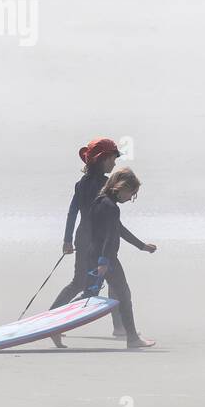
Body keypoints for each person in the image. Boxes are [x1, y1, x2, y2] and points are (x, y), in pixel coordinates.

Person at [51, 137, 130, 335]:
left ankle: (51, 318)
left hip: (82, 237)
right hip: (100, 241)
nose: (114, 163)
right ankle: (119, 327)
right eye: (112, 158)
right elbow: (112, 218)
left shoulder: (81, 184)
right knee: (115, 282)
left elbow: (72, 212)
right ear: (102, 159)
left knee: (78, 282)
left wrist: (67, 240)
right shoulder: (106, 185)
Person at [82, 167, 155, 350]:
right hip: (107, 259)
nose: (130, 198)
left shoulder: (99, 201)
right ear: (120, 187)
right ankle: (132, 339)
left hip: (93, 254)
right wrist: (104, 263)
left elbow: (118, 230)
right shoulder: (111, 208)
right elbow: (109, 236)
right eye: (131, 193)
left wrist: (141, 246)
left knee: (89, 295)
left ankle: (56, 325)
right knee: (124, 295)